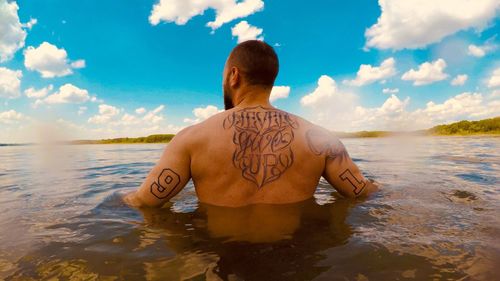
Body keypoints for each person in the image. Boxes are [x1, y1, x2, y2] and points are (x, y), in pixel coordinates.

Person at [124, 40, 379, 208]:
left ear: (234, 76)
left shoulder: (191, 139)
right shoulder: (321, 139)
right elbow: (363, 192)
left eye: (224, 77)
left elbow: (143, 203)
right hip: (299, 265)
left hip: (224, 266)